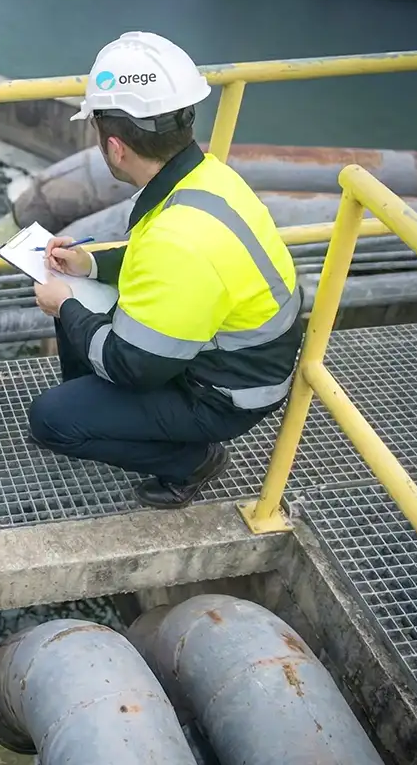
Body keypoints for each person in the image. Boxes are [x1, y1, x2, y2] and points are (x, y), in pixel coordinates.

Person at [27, 32, 304, 510]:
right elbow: (155, 266)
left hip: (224, 393)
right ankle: (97, 407)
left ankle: (192, 462)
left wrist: (67, 305)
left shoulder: (179, 239)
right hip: (230, 355)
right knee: (77, 290)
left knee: (50, 419)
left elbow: (130, 366)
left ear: (116, 148)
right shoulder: (206, 178)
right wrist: (88, 264)